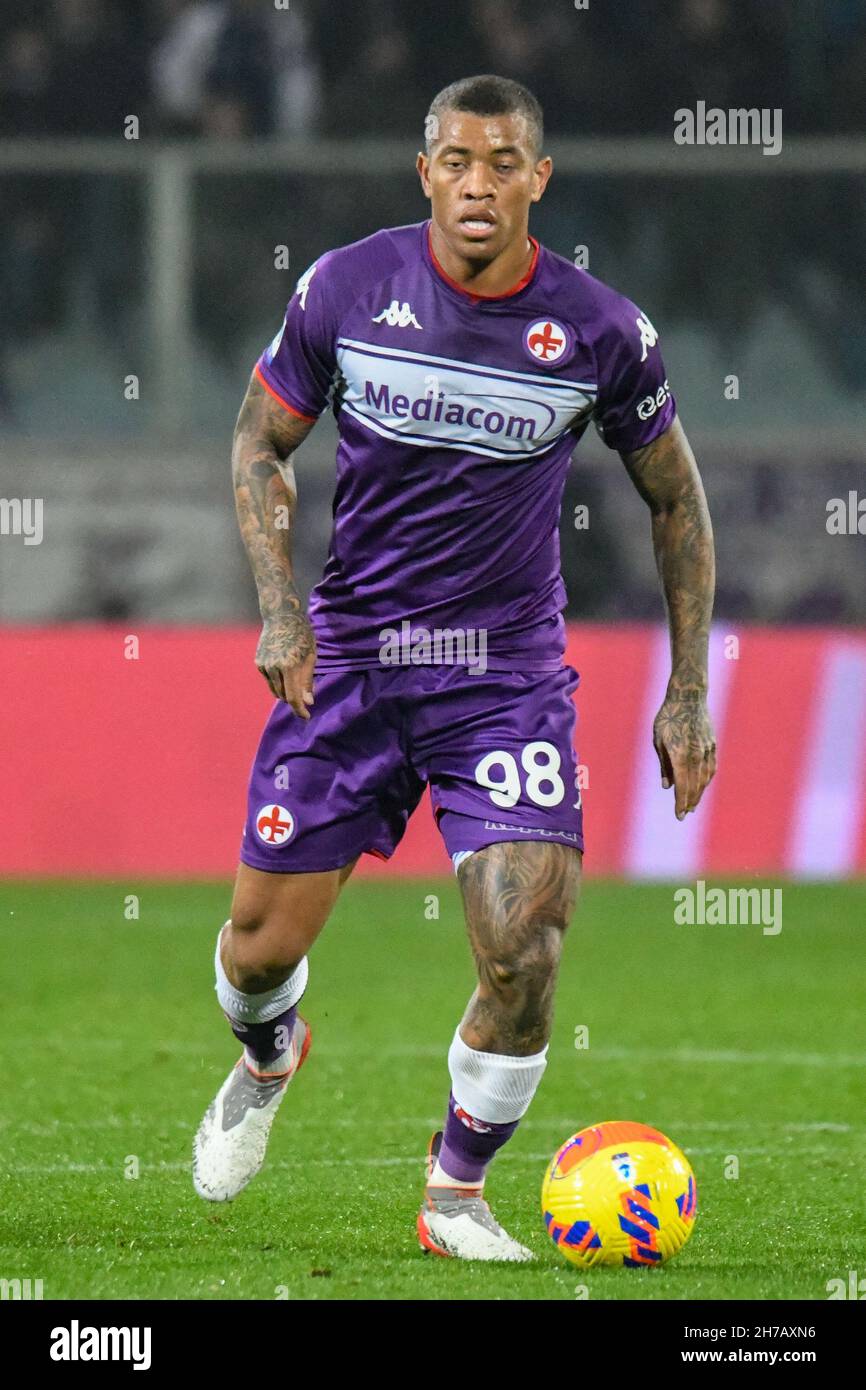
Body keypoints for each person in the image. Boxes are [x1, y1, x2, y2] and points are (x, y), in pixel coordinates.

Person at [192, 74, 717, 1262]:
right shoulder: (344, 288)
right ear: (422, 170)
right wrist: (279, 610)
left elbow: (675, 498)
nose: (478, 183)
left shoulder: (598, 331)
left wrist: (687, 689)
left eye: (504, 161)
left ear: (539, 177)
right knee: (255, 951)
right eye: (456, 160)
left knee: (524, 945)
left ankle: (453, 1195)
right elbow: (258, 440)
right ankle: (270, 1052)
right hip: (356, 662)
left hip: (504, 674)